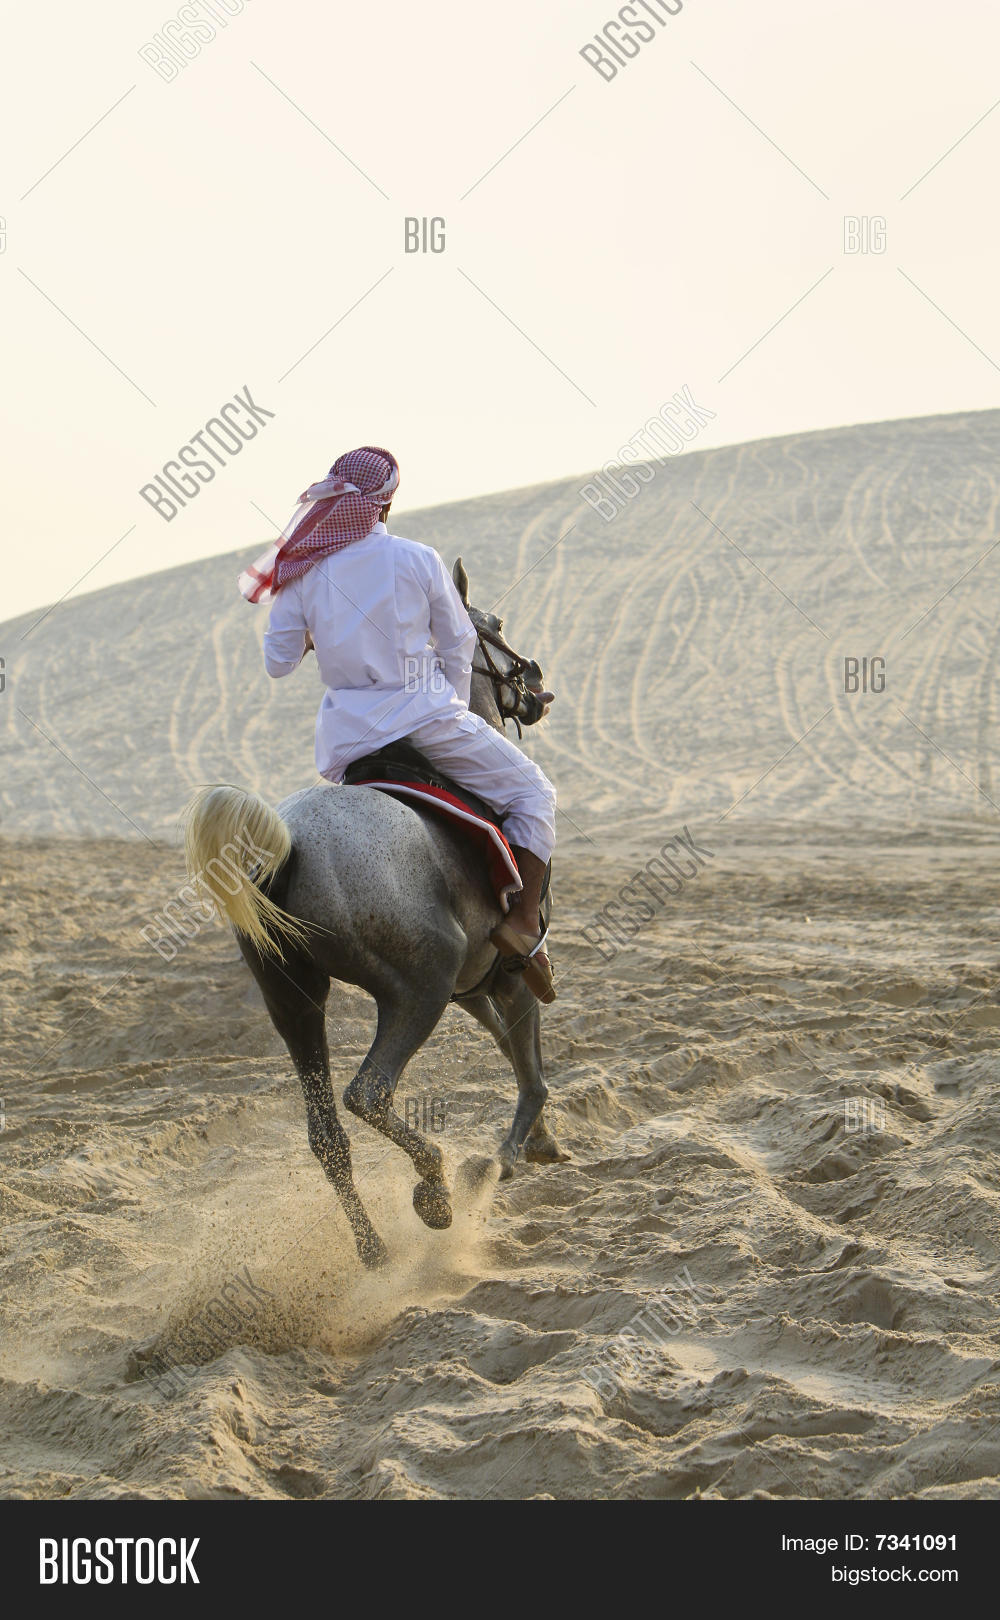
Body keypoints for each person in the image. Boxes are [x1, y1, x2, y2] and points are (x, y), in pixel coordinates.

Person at [238, 446, 556, 1001]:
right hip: (427, 721)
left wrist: (315, 636)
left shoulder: (304, 571)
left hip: (349, 742)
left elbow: (277, 664)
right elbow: (458, 644)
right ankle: (525, 923)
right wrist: (454, 706)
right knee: (535, 794)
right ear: (386, 505)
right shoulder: (417, 558)